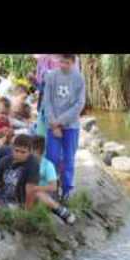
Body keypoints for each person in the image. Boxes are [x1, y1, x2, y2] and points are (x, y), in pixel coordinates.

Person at [43, 54, 86, 203]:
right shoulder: (51, 77)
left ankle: (67, 190)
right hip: (52, 124)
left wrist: (60, 122)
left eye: (66, 63)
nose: (63, 65)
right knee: (52, 157)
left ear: (73, 62)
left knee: (68, 159)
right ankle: (52, 189)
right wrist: (53, 122)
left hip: (70, 126)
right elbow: (46, 101)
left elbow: (79, 104)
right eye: (61, 62)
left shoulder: (79, 78)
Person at [0, 134, 40, 217]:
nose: (19, 154)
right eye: (16, 150)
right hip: (1, 195)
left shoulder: (32, 164)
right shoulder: (5, 161)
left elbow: (30, 190)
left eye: (23, 152)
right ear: (12, 148)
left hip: (17, 202)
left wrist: (26, 213)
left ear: (30, 152)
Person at [28, 136, 76, 225]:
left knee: (36, 193)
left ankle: (61, 211)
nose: (28, 154)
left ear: (38, 151)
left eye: (30, 151)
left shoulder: (47, 165)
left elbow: (53, 187)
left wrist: (36, 188)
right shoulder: (27, 163)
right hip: (30, 192)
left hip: (47, 193)